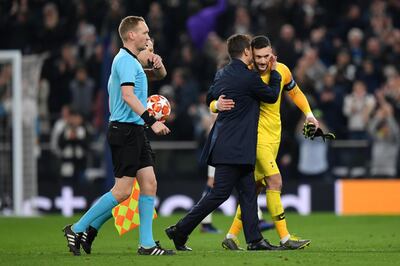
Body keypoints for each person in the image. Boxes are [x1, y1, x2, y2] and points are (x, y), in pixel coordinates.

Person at [62, 16, 174, 256]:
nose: (148, 36)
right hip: (125, 130)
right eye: (144, 32)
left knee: (149, 184)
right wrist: (152, 121)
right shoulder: (125, 61)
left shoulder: (132, 63)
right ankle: (77, 227)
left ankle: (146, 245)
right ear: (131, 35)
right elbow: (128, 96)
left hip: (134, 130)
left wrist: (158, 62)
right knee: (123, 190)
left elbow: (158, 75)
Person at [165, 34, 282, 251]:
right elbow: (272, 96)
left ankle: (254, 240)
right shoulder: (248, 77)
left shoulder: (222, 73)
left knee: (248, 193)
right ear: (246, 52)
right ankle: (179, 230)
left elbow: (210, 96)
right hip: (236, 146)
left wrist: (216, 105)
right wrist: (274, 72)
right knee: (219, 194)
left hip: (228, 143)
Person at [214, 36, 314, 250]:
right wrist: (215, 105)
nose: (261, 61)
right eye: (258, 56)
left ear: (272, 54)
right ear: (251, 54)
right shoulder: (247, 74)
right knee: (275, 182)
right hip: (255, 138)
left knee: (256, 188)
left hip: (273, 137)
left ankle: (231, 236)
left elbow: (294, 92)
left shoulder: (283, 70)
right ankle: (285, 238)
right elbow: (219, 93)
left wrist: (309, 114)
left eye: (266, 56)